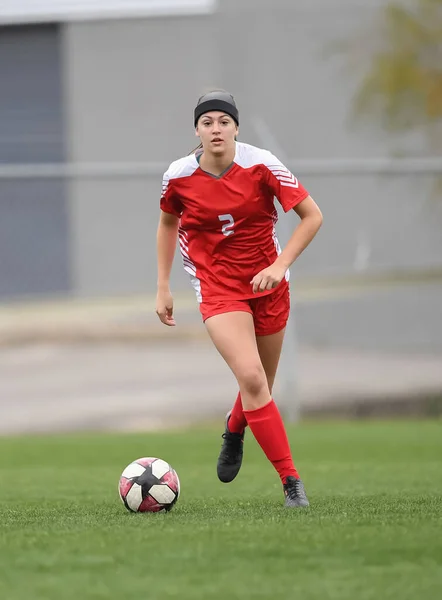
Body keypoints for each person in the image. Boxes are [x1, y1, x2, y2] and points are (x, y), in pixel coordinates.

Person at [156, 90, 323, 508]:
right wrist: (163, 285)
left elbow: (312, 216)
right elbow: (167, 222)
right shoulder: (177, 174)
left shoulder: (262, 164)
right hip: (217, 286)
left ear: (235, 128)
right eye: (207, 122)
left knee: (260, 383)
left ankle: (235, 427)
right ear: (196, 130)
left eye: (223, 121)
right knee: (251, 378)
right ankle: (292, 483)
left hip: (267, 283)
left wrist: (280, 265)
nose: (216, 128)